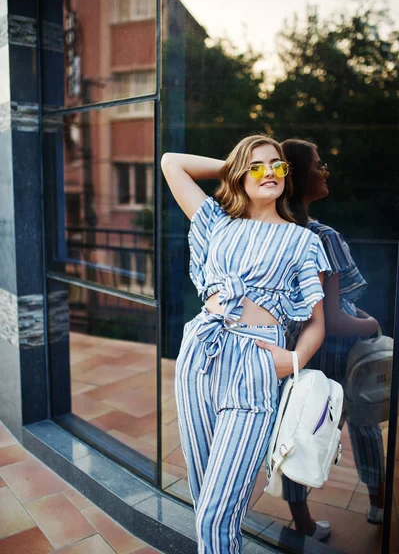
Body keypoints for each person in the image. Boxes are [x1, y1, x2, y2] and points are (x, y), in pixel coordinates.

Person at [161, 134, 331, 553]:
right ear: (240, 174)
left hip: (257, 361)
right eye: (257, 166)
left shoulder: (304, 241)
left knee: (218, 512)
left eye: (277, 165)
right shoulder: (216, 221)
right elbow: (171, 163)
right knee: (205, 498)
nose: (269, 171)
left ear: (288, 176)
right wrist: (241, 166)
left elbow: (315, 324)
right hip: (201, 353)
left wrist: (291, 360)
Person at [280, 138, 385, 538]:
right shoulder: (321, 237)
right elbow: (335, 321)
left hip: (291, 356)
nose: (325, 171)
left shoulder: (271, 231)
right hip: (334, 358)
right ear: (299, 175)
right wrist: (371, 325)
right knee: (364, 423)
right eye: (319, 164)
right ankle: (378, 503)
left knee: (296, 427)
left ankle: (303, 522)